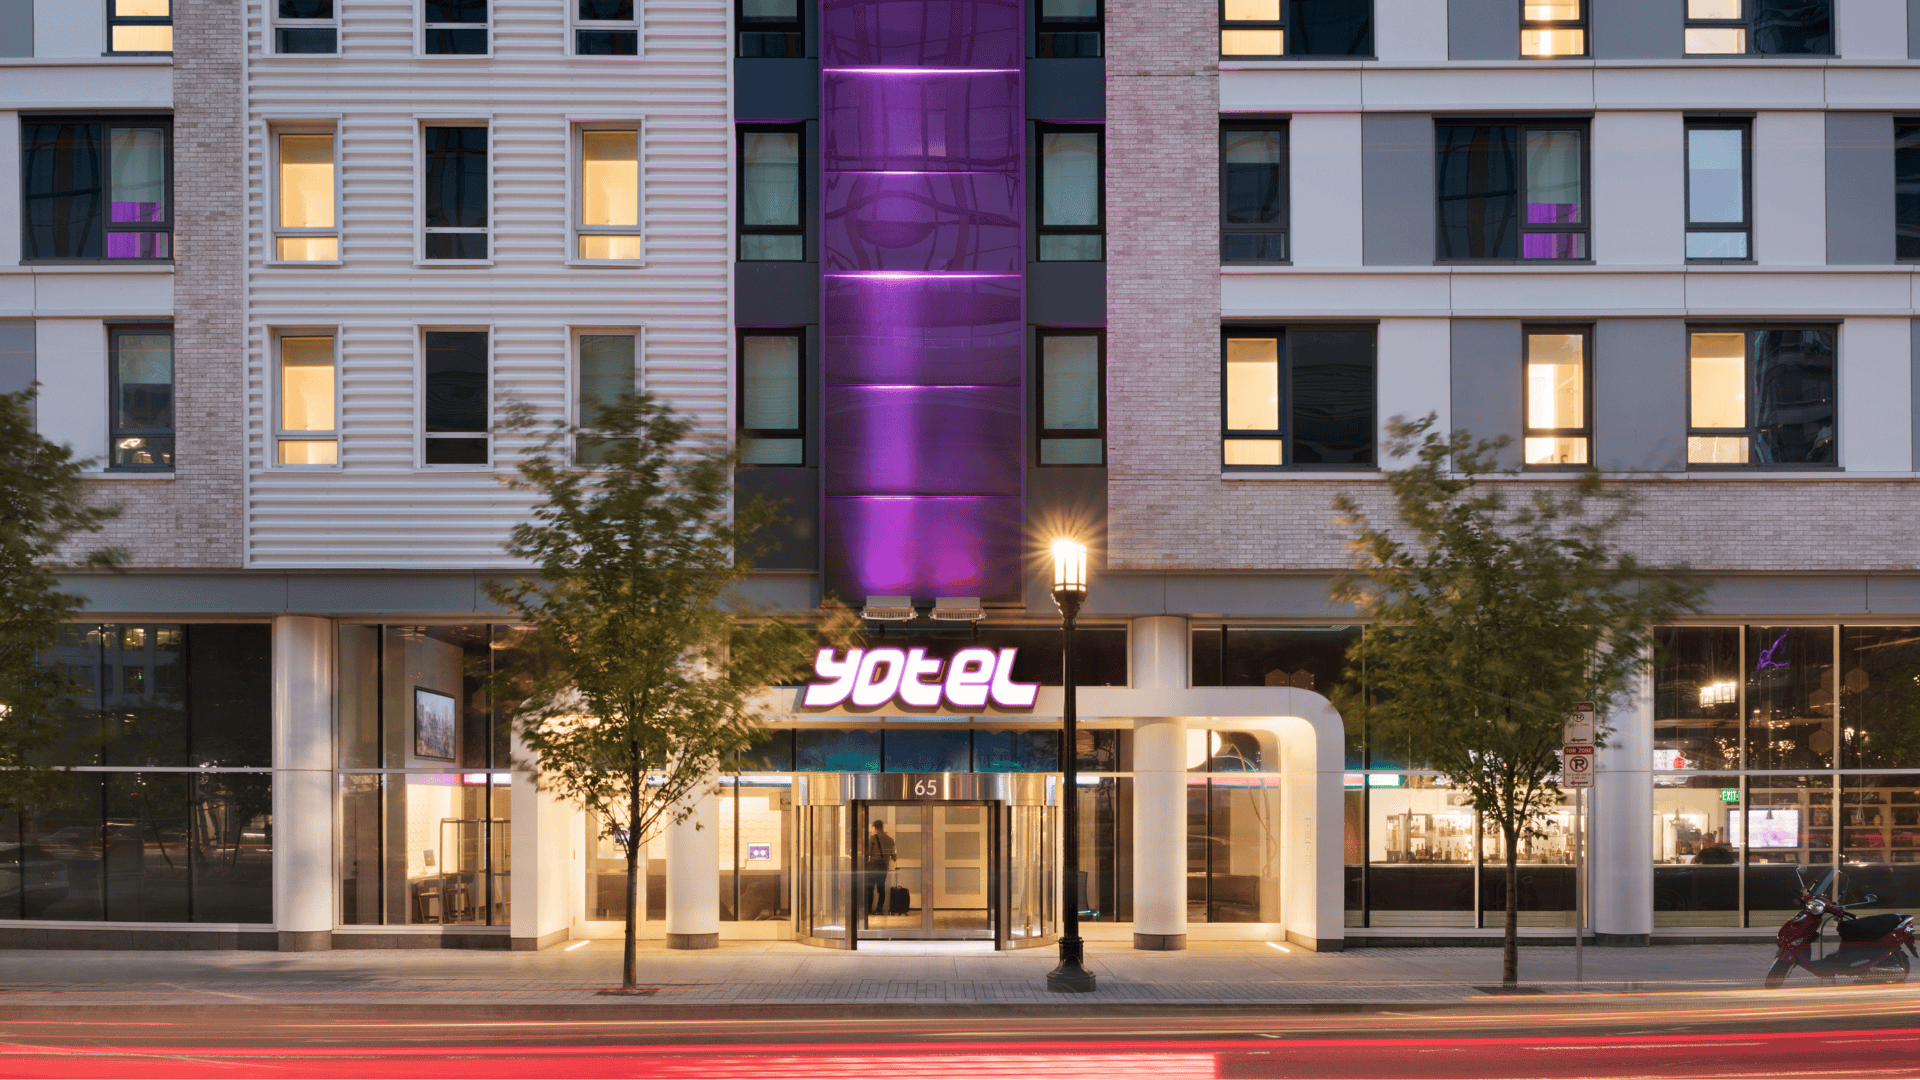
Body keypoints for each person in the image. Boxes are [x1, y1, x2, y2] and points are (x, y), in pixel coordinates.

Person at [865, 820, 897, 915]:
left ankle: (869, 909)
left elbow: (868, 853)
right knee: (881, 888)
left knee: (870, 888)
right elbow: (894, 856)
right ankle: (879, 909)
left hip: (873, 866)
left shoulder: (872, 838)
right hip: (884, 867)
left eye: (872, 828)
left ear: (874, 827)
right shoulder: (890, 840)